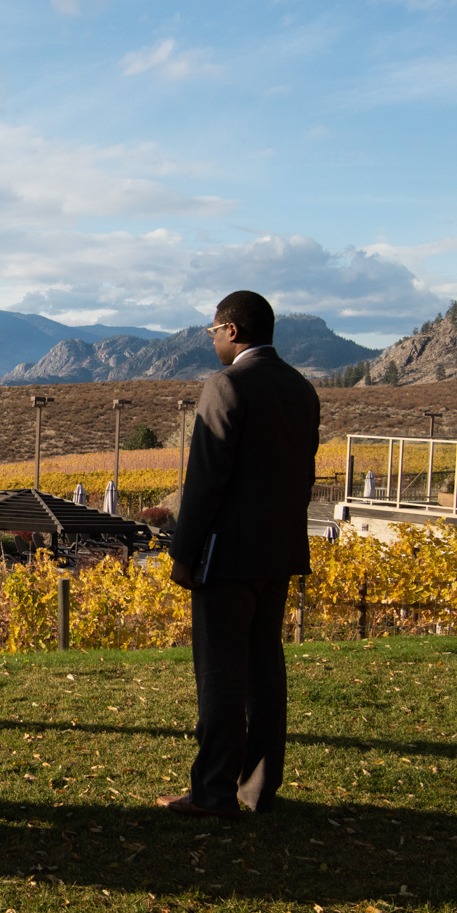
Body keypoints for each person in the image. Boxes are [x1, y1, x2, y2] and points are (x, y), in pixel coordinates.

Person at [164, 290, 319, 821]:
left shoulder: (226, 385)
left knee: (222, 675)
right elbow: (305, 478)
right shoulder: (301, 388)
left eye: (212, 332)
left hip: (225, 556)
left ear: (232, 330)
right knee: (265, 669)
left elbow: (205, 481)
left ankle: (212, 792)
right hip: (278, 552)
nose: (212, 341)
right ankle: (258, 789)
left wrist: (183, 554)